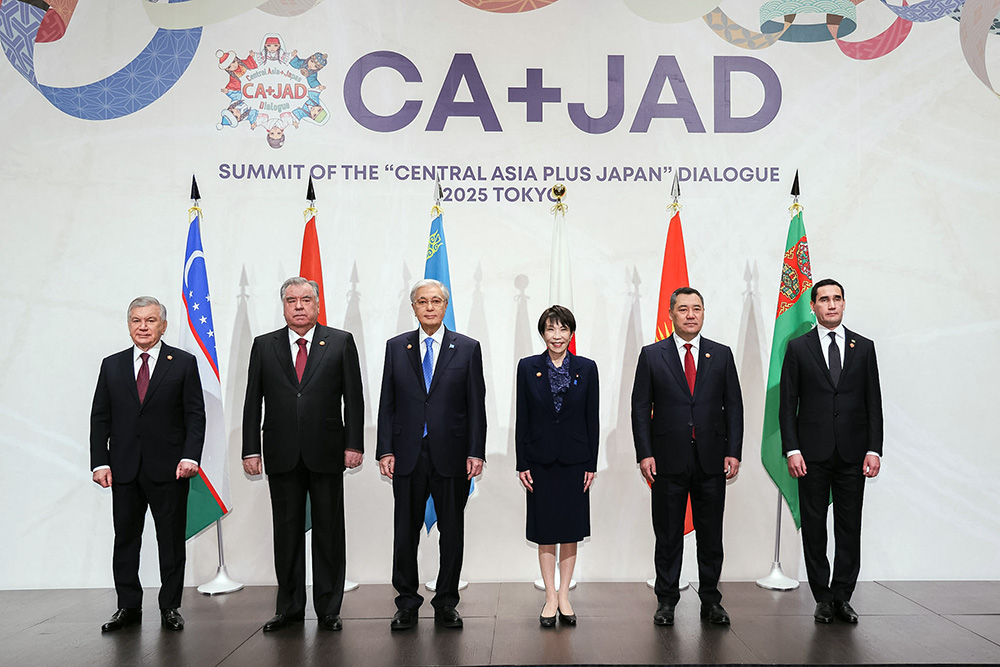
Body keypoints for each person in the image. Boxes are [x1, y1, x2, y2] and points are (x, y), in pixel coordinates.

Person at [242, 277, 364, 632]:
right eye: (291, 300)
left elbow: (353, 398)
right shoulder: (264, 345)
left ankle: (328, 609)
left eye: (306, 299)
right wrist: (250, 449)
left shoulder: (340, 342)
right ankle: (289, 608)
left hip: (327, 452)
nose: (298, 306)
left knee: (329, 533)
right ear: (283, 306)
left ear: (317, 304)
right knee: (287, 533)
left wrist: (354, 444)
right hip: (281, 453)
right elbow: (252, 402)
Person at [376, 279, 487, 630]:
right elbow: (387, 402)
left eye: (436, 301)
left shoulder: (467, 348)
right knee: (404, 533)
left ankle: (446, 602)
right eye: (422, 301)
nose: (429, 307)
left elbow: (476, 405)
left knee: (451, 533)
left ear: (445, 306)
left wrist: (476, 451)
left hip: (452, 454)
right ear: (413, 307)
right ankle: (407, 603)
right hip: (406, 454)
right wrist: (385, 449)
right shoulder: (397, 347)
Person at [90, 296, 205, 632]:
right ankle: (128, 606)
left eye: (150, 320)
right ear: (129, 325)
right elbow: (100, 418)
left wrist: (190, 456)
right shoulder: (111, 365)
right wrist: (99, 463)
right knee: (126, 539)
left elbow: (195, 415)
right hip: (123, 468)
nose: (143, 327)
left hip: (170, 469)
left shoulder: (182, 363)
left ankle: (170, 606)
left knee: (170, 540)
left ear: (163, 325)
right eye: (136, 320)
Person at [631, 287, 743, 626]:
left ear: (703, 313)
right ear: (671, 314)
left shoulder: (721, 355)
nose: (690, 314)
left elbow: (734, 406)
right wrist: (645, 453)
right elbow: (640, 408)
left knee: (711, 536)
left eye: (696, 308)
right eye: (683, 309)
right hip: (667, 460)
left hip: (711, 459)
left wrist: (733, 451)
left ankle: (711, 601)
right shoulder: (652, 355)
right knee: (668, 535)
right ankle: (666, 601)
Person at [779, 278, 882, 624]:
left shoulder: (863, 347)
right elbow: (787, 404)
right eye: (824, 299)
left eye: (837, 298)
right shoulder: (798, 348)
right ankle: (822, 597)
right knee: (814, 527)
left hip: (854, 453)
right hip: (811, 454)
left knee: (849, 527)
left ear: (844, 303)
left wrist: (874, 449)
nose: (832, 304)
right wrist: (792, 449)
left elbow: (873, 402)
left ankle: (842, 597)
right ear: (813, 306)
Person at [515, 306, 599, 627]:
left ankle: (565, 595)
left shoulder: (587, 368)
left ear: (571, 333)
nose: (557, 336)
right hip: (540, 461)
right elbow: (523, 417)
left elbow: (592, 418)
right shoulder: (528, 367)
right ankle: (550, 596)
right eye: (551, 329)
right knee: (545, 531)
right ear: (543, 334)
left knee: (571, 530)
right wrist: (522, 462)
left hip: (575, 462)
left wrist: (591, 462)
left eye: (563, 329)